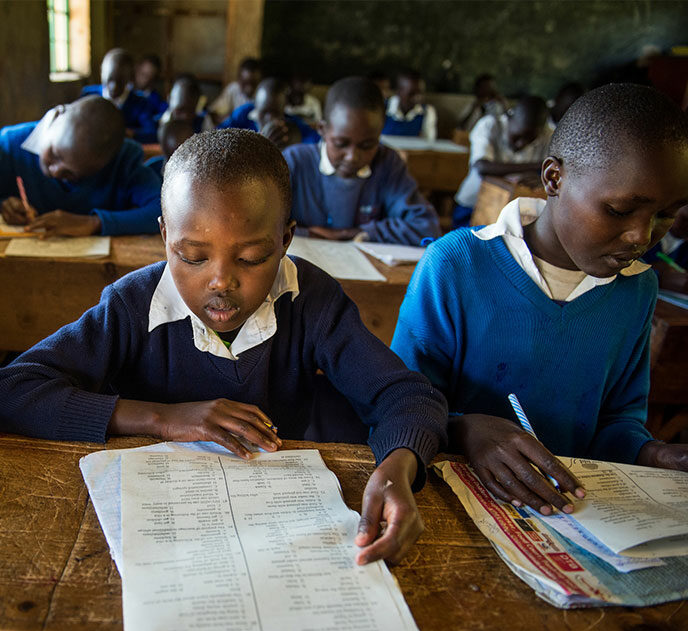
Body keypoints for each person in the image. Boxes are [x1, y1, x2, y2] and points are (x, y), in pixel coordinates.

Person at [0, 128, 448, 564]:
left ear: (285, 240)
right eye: (193, 256)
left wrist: (397, 467)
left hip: (279, 517)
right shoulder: (132, 306)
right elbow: (8, 388)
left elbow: (406, 396)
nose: (221, 281)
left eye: (252, 258)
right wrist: (162, 416)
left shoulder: (311, 301)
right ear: (164, 236)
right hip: (156, 523)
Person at [391, 83, 688, 516]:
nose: (641, 237)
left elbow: (618, 420)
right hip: (449, 499)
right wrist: (464, 428)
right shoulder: (456, 265)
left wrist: (652, 454)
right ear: (554, 178)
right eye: (620, 211)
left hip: (570, 512)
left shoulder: (637, 288)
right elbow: (401, 403)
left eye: (665, 215)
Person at [283, 77, 440, 245]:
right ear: (322, 129)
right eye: (341, 144)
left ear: (380, 133)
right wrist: (308, 234)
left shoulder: (388, 163)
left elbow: (427, 228)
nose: (352, 156)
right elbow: (264, 225)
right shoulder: (294, 162)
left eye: (367, 145)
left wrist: (356, 233)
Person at [0, 96, 162, 236]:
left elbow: (161, 210)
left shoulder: (123, 158)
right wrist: (5, 207)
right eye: (54, 154)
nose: (55, 171)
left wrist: (93, 223)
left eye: (72, 174)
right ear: (54, 118)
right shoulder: (13, 144)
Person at [452, 96, 552, 228]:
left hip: (515, 214)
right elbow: (482, 167)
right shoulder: (489, 125)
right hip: (473, 204)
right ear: (511, 118)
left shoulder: (548, 135)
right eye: (517, 136)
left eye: (530, 139)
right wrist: (538, 166)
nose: (522, 143)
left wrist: (541, 176)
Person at [218, 78, 320, 150]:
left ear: (284, 108)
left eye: (276, 113)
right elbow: (218, 136)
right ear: (256, 105)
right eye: (264, 112)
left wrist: (293, 140)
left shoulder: (290, 126)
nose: (269, 118)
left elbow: (316, 143)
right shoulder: (244, 115)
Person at [80, 48, 157, 143]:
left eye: (120, 81)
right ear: (102, 73)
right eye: (110, 79)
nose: (114, 86)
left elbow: (152, 133)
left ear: (130, 79)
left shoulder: (141, 103)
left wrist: (128, 133)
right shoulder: (87, 96)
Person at [382, 70, 437, 141]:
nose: (417, 98)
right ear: (398, 92)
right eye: (411, 94)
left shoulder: (427, 112)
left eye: (420, 93)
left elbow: (429, 143)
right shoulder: (383, 107)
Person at [209, 57, 262, 121]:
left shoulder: (262, 93)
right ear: (239, 79)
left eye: (253, 84)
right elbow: (215, 113)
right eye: (245, 83)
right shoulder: (233, 90)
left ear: (259, 80)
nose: (249, 89)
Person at [133, 53, 168, 118]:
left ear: (153, 80)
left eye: (147, 76)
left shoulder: (157, 103)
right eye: (142, 73)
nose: (141, 78)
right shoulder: (125, 92)